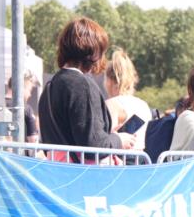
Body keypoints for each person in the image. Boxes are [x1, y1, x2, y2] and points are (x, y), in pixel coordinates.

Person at [39, 18, 135, 160]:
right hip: (83, 177)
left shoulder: (50, 87)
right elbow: (94, 147)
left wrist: (107, 135)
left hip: (57, 173)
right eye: (101, 50)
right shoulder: (81, 85)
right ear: (93, 52)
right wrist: (119, 140)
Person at [104, 49, 152, 151]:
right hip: (142, 161)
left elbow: (105, 142)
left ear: (109, 80)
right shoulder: (143, 105)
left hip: (119, 162)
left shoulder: (110, 104)